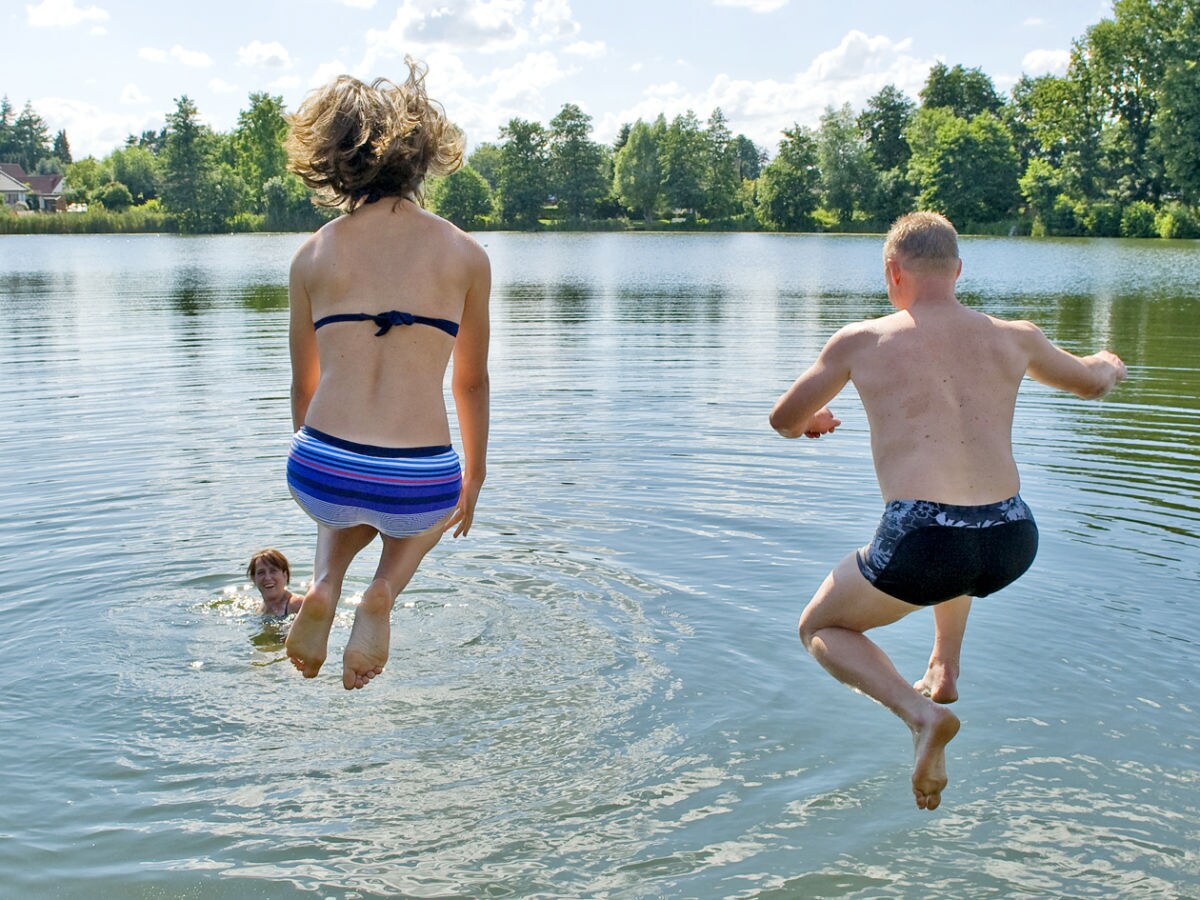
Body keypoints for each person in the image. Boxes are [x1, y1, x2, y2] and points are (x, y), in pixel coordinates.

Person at [770, 211, 1126, 810]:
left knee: (819, 627)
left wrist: (812, 423)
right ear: (957, 270)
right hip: (1012, 537)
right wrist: (1109, 363)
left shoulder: (863, 340)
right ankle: (945, 667)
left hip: (924, 540)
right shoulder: (1016, 336)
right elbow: (1091, 383)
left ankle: (920, 715)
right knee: (958, 536)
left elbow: (782, 419)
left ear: (893, 273)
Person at [281, 59, 490, 691]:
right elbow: (471, 383)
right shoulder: (466, 256)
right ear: (423, 160)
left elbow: (302, 382)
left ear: (335, 160)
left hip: (320, 461)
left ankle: (323, 583)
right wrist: (474, 478)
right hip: (417, 472)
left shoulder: (312, 254)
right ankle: (382, 593)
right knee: (419, 515)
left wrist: (312, 451)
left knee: (343, 503)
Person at [247, 548, 302, 617]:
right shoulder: (258, 608)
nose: (267, 578)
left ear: (285, 575)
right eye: (261, 572)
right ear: (253, 579)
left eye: (273, 571)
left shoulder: (299, 605)